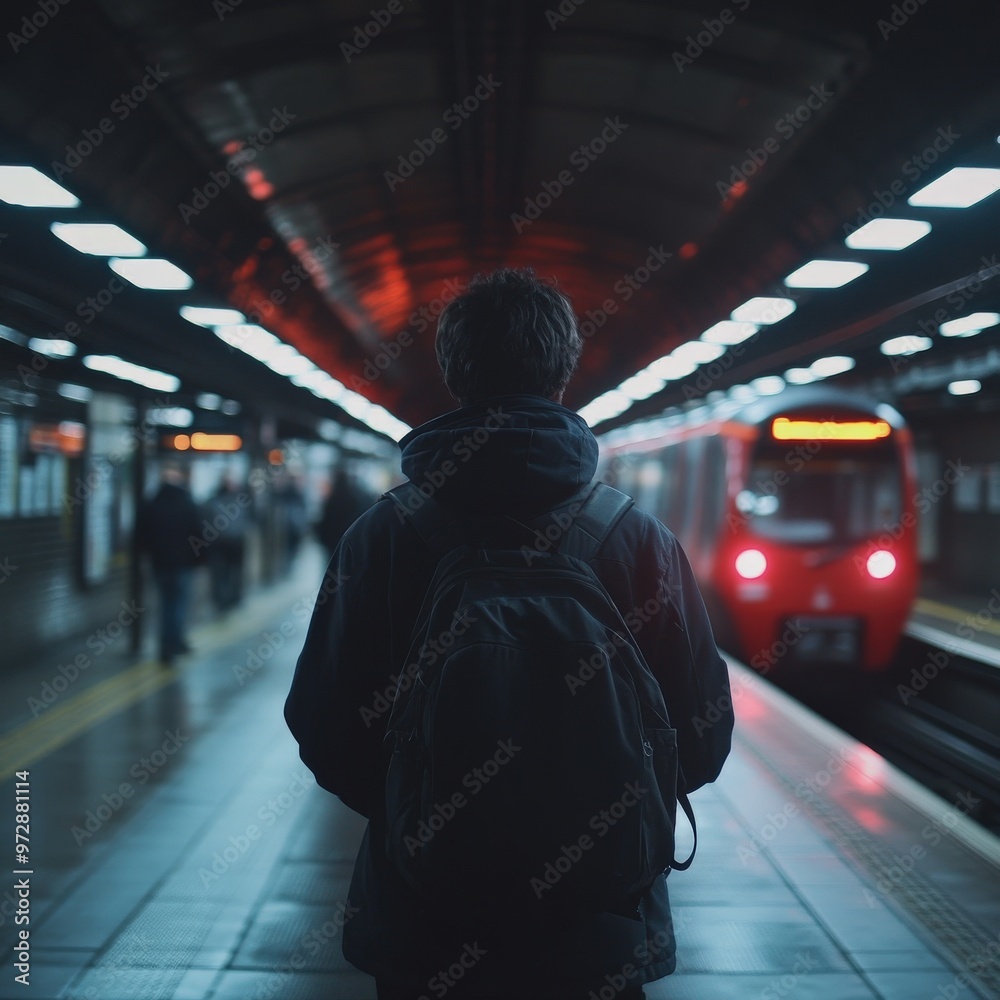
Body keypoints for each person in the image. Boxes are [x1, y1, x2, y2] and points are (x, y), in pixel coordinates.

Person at [285, 268, 734, 999]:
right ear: (564, 371)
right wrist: (601, 816)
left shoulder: (382, 538)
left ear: (452, 373)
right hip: (602, 931)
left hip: (425, 926)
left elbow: (324, 723)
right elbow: (703, 732)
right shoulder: (638, 541)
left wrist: (427, 810)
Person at [136, 461, 203, 666]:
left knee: (165, 604)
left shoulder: (152, 503)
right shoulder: (187, 502)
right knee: (179, 603)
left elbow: (141, 535)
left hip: (160, 564)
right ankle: (174, 642)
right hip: (182, 563)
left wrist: (147, 555)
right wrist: (199, 558)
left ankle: (166, 645)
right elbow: (199, 533)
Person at [203, 474, 248, 612]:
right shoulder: (236, 500)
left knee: (230, 573)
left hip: (230, 542)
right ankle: (225, 600)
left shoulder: (218, 500)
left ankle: (229, 599)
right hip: (224, 543)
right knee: (224, 573)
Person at [315, 466, 372, 560]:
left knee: (331, 559)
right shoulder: (353, 498)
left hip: (332, 537)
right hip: (346, 535)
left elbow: (326, 519)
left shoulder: (332, 498)